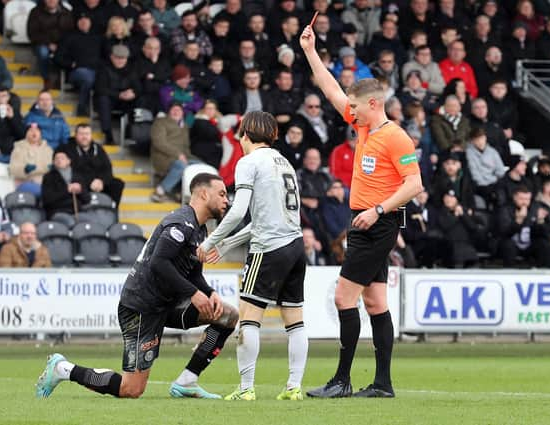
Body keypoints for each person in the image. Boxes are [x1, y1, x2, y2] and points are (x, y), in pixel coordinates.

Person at [301, 23, 423, 398]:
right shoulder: (365, 127)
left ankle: (341, 381)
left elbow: (415, 184)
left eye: (354, 105)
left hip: (377, 223)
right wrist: (310, 51)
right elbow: (331, 89)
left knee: (343, 298)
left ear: (373, 104)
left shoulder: (395, 136)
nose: (347, 110)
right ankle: (383, 384)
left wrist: (377, 210)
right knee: (375, 301)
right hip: (369, 222)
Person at [36, 173, 237, 399]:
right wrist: (194, 294)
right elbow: (159, 263)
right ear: (203, 193)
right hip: (141, 308)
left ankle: (187, 381)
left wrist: (209, 293)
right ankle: (63, 369)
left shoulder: (199, 229)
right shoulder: (180, 223)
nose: (226, 200)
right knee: (131, 389)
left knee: (227, 316)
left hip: (165, 305)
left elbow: (193, 273)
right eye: (221, 194)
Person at [196, 111, 308, 401]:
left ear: (245, 134)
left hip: (268, 249)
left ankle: (246, 389)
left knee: (248, 319)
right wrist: (227, 244)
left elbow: (239, 210)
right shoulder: (284, 162)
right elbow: (264, 218)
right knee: (295, 321)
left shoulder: (248, 162)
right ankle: (294, 387)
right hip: (296, 246)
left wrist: (210, 242)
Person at [60, 123, 125, 205]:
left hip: (98, 183)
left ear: (91, 135)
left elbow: (107, 168)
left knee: (117, 184)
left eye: (87, 134)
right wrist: (90, 182)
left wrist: (101, 181)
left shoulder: (98, 148)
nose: (84, 137)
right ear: (76, 135)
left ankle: (112, 210)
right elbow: (70, 170)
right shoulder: (67, 148)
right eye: (81, 134)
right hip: (80, 183)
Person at [27, 0, 74, 88]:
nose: (51, 1)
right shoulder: (35, 12)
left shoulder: (66, 13)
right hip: (42, 43)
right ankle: (46, 78)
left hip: (62, 44)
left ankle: (62, 81)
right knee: (43, 53)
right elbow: (32, 33)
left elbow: (70, 32)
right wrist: (48, 43)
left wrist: (61, 46)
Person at [41, 151, 95, 227]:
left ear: (68, 161)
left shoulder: (77, 177)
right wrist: (66, 190)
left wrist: (80, 191)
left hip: (77, 212)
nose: (59, 160)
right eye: (56, 159)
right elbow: (47, 200)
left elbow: (87, 199)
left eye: (62, 158)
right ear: (53, 162)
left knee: (91, 223)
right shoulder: (48, 177)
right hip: (57, 211)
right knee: (70, 223)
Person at [9, 123, 54, 197]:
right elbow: (12, 169)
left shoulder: (48, 149)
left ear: (40, 134)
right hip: (26, 182)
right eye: (31, 130)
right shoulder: (19, 148)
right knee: (45, 192)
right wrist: (25, 169)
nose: (34, 132)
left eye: (37, 130)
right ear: (26, 134)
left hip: (45, 183)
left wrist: (52, 168)